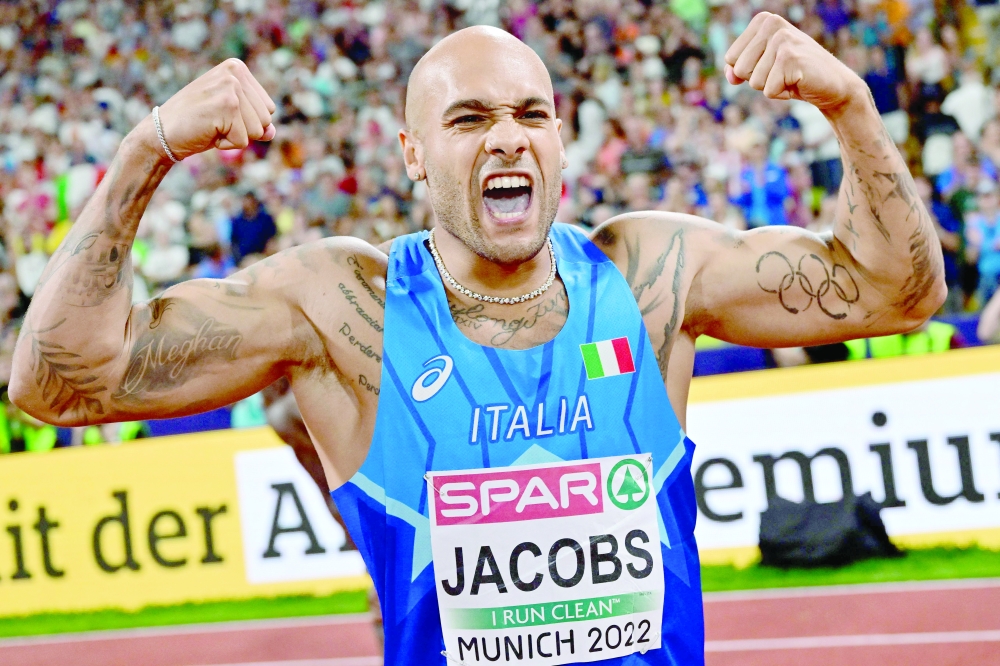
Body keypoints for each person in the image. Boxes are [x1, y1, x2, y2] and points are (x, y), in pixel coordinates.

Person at [9, 15, 946, 665]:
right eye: (468, 120)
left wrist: (851, 106)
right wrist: (145, 153)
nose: (507, 139)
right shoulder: (343, 307)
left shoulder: (652, 273)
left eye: (531, 115)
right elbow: (60, 384)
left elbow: (898, 292)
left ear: (561, 140)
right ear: (413, 155)